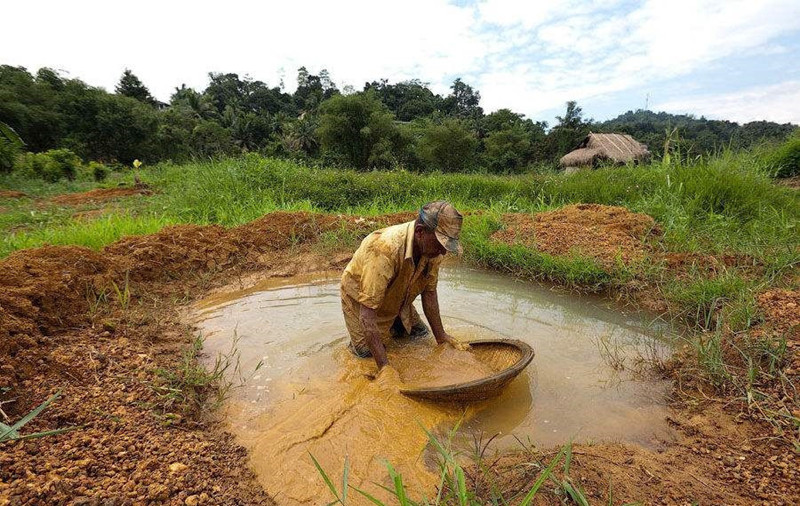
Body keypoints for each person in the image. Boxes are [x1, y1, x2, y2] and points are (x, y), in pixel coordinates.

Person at [340, 201, 468, 377]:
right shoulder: (383, 249)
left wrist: (441, 337)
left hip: (400, 293)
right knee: (367, 357)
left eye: (446, 246)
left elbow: (429, 293)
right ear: (420, 232)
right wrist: (385, 369)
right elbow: (366, 315)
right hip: (362, 300)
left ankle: (395, 325)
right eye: (440, 244)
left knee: (421, 337)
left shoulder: (433, 250)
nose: (443, 252)